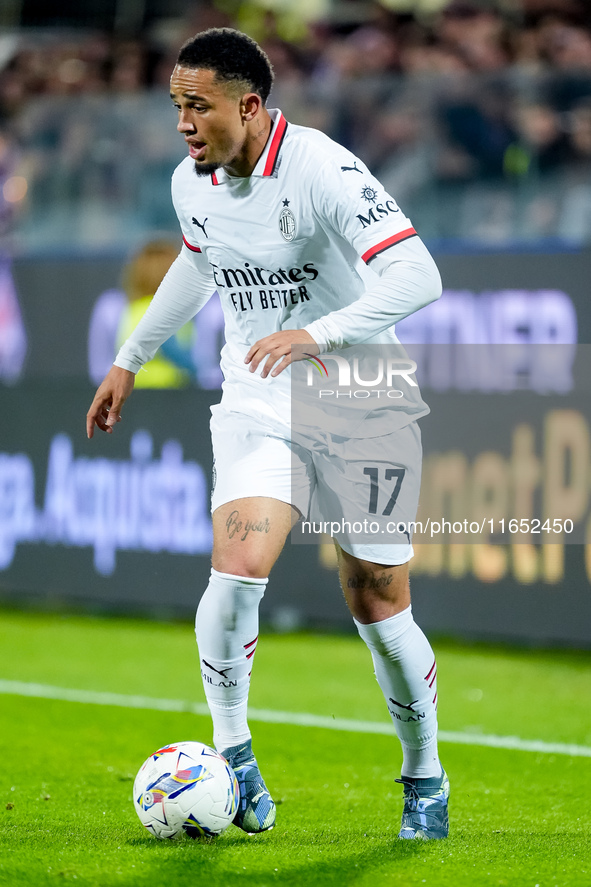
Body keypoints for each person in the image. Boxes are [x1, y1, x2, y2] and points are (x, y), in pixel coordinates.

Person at [86, 27, 448, 840]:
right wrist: (129, 358)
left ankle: (423, 771)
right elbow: (197, 261)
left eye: (198, 106)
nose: (182, 123)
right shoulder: (192, 183)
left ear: (248, 106)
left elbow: (417, 273)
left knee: (377, 601)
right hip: (256, 398)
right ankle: (235, 755)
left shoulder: (321, 168)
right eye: (176, 104)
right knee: (238, 563)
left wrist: (318, 336)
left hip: (361, 401)